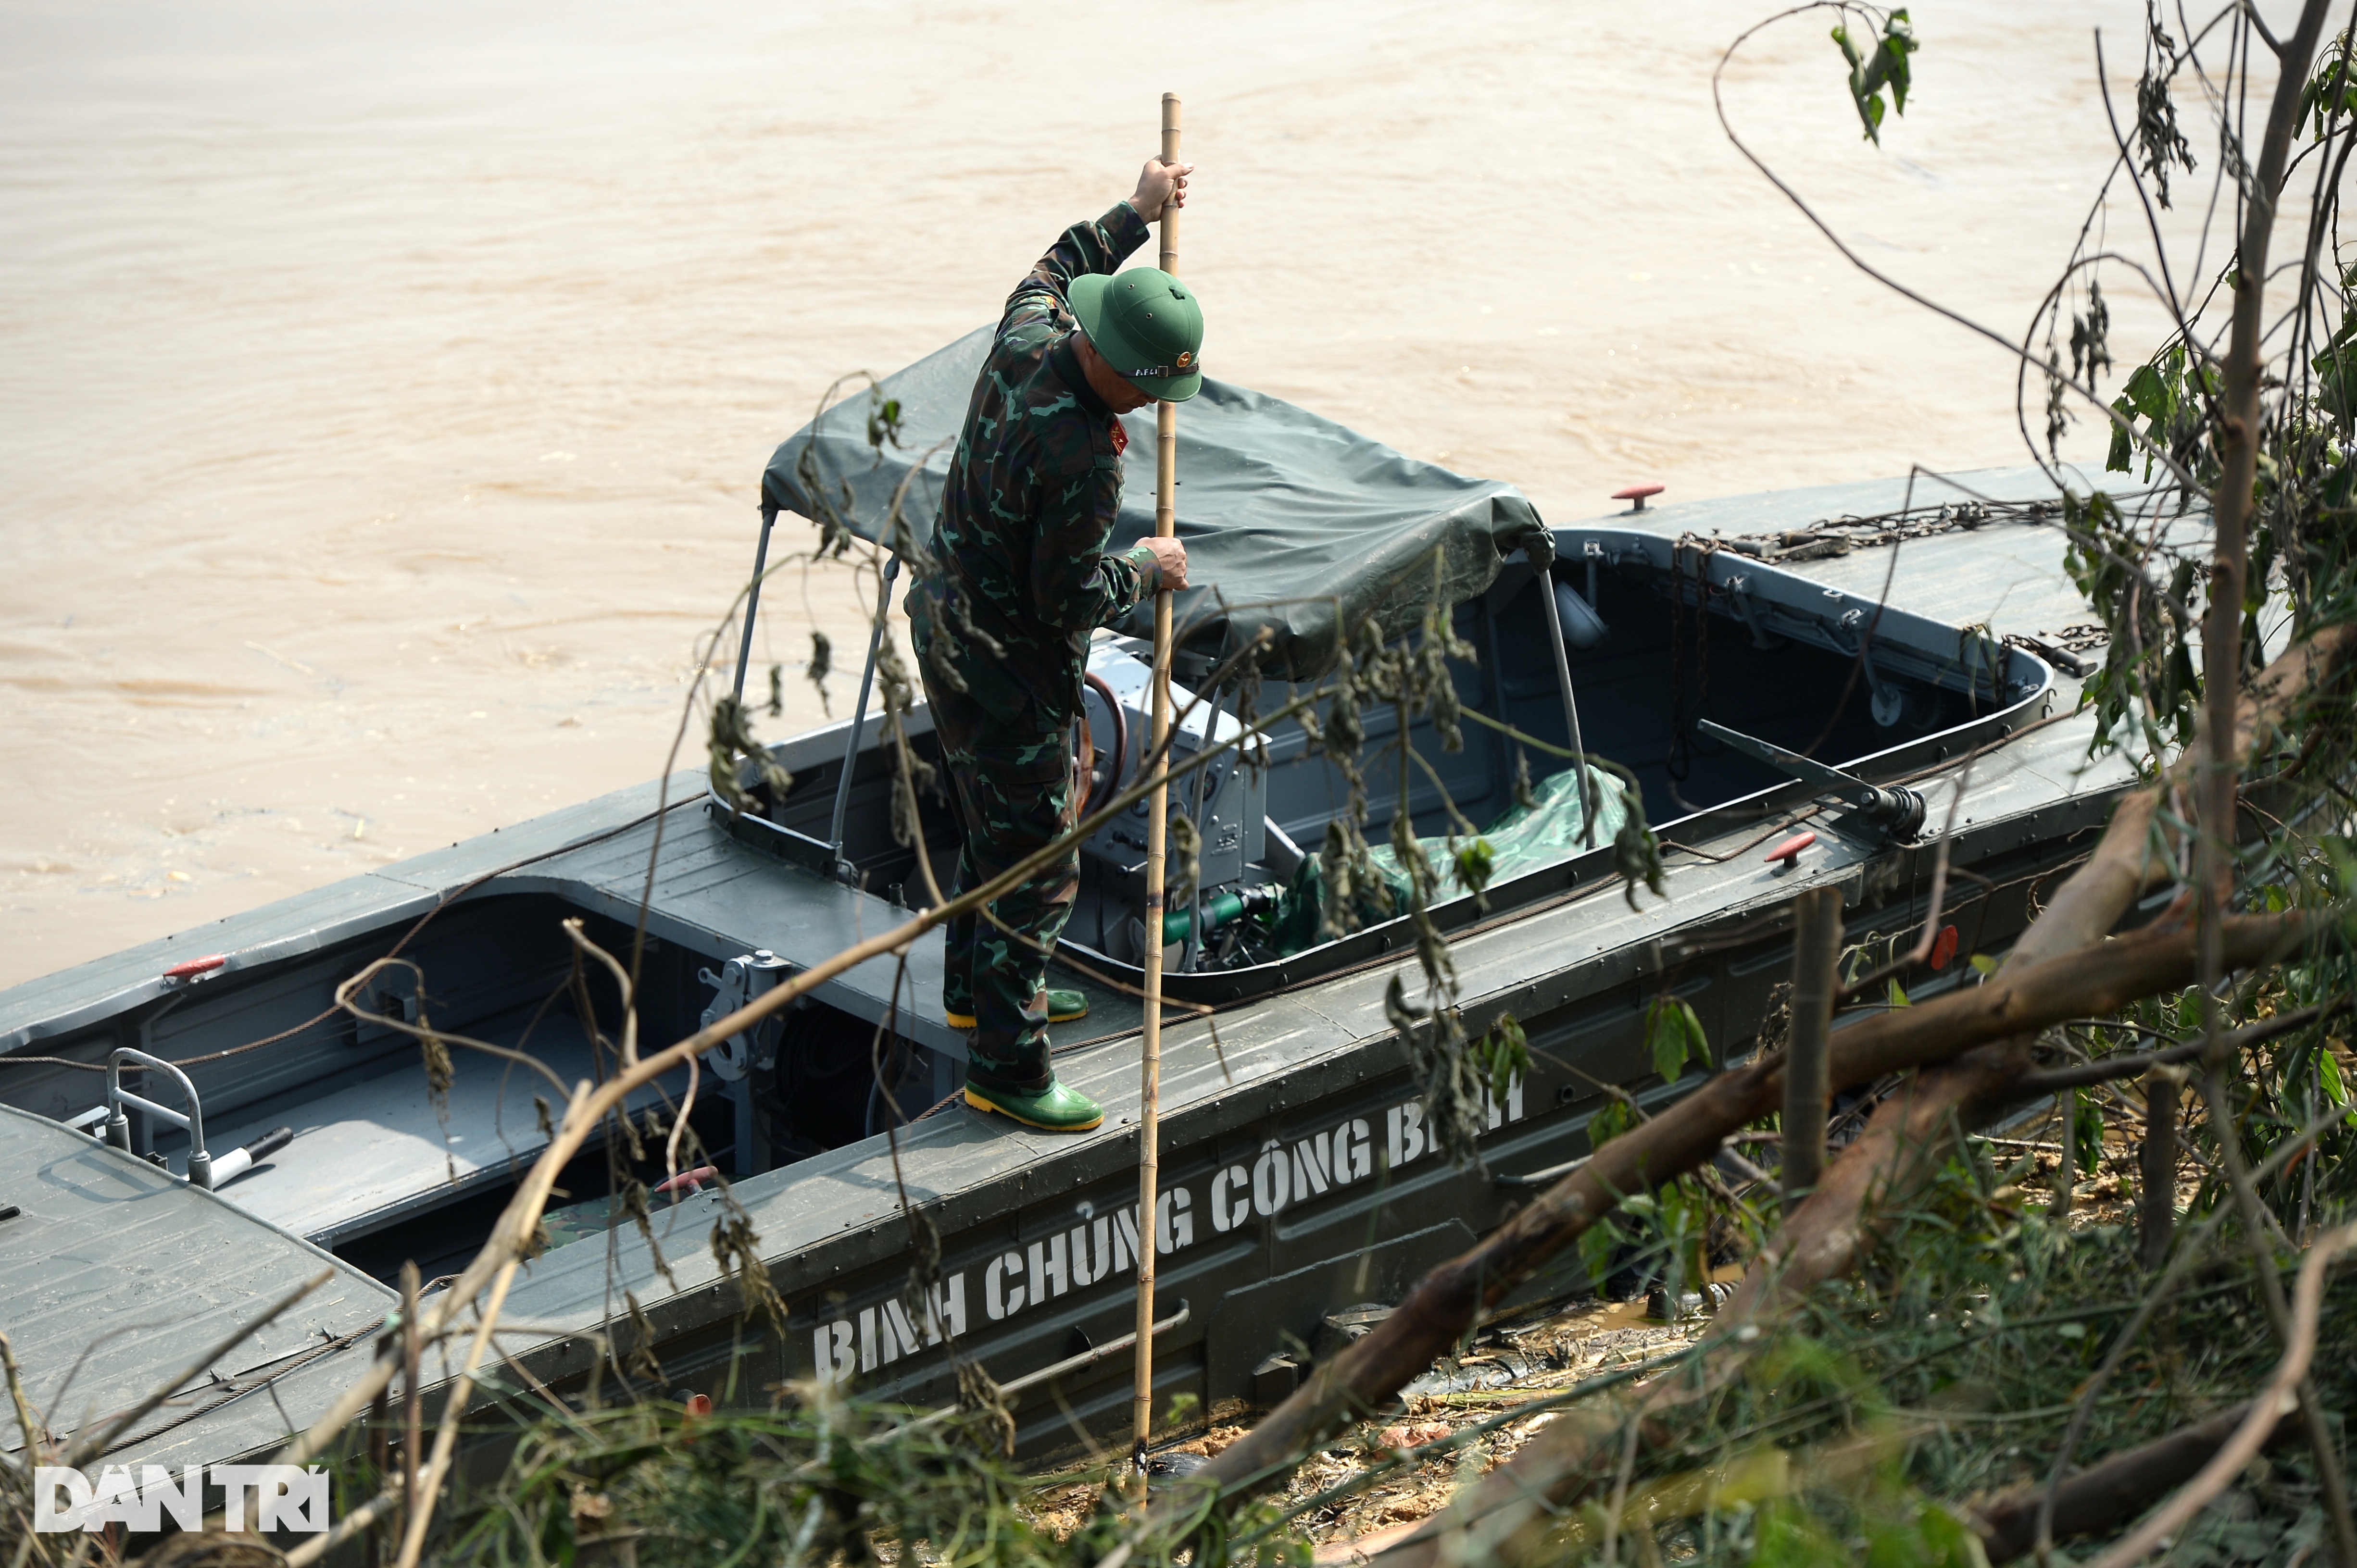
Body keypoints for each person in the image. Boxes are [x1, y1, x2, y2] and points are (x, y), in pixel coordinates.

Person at [907, 158, 1202, 1132]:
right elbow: (1066, 594)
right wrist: (1150, 569)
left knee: (984, 822)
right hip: (1008, 669)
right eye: (1156, 385)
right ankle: (1010, 1061)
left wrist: (1139, 209)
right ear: (1124, 372)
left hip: (940, 621)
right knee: (1038, 862)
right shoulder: (1083, 458)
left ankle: (974, 992)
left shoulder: (1029, 332)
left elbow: (1052, 262)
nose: (1158, 400)